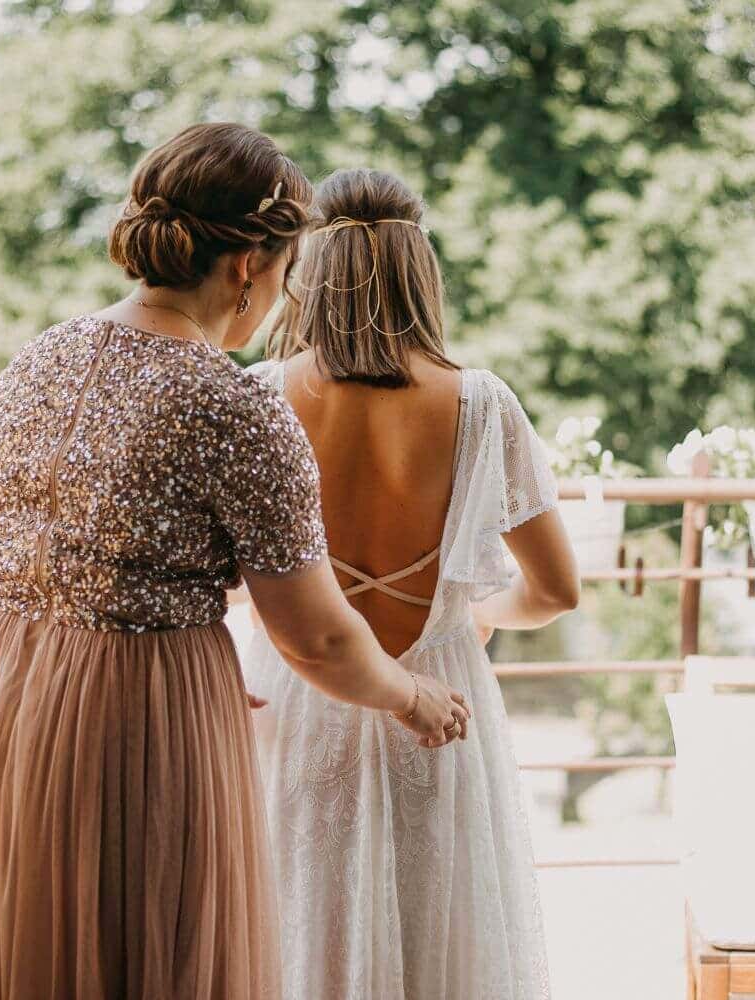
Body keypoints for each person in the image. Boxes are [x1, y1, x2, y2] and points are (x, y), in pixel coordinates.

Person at [0, 126, 470, 1000]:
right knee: (145, 944)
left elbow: (69, 543)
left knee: (35, 944)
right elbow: (317, 637)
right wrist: (412, 697)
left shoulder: (35, 359)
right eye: (287, 267)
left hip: (8, 688)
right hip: (140, 711)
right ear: (249, 263)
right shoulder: (232, 404)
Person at [245, 168, 580, 999]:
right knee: (444, 949)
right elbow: (556, 591)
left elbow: (230, 589)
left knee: (299, 939)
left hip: (297, 705)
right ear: (419, 275)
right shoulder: (481, 404)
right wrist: (474, 616)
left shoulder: (255, 399)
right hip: (441, 708)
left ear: (307, 275)